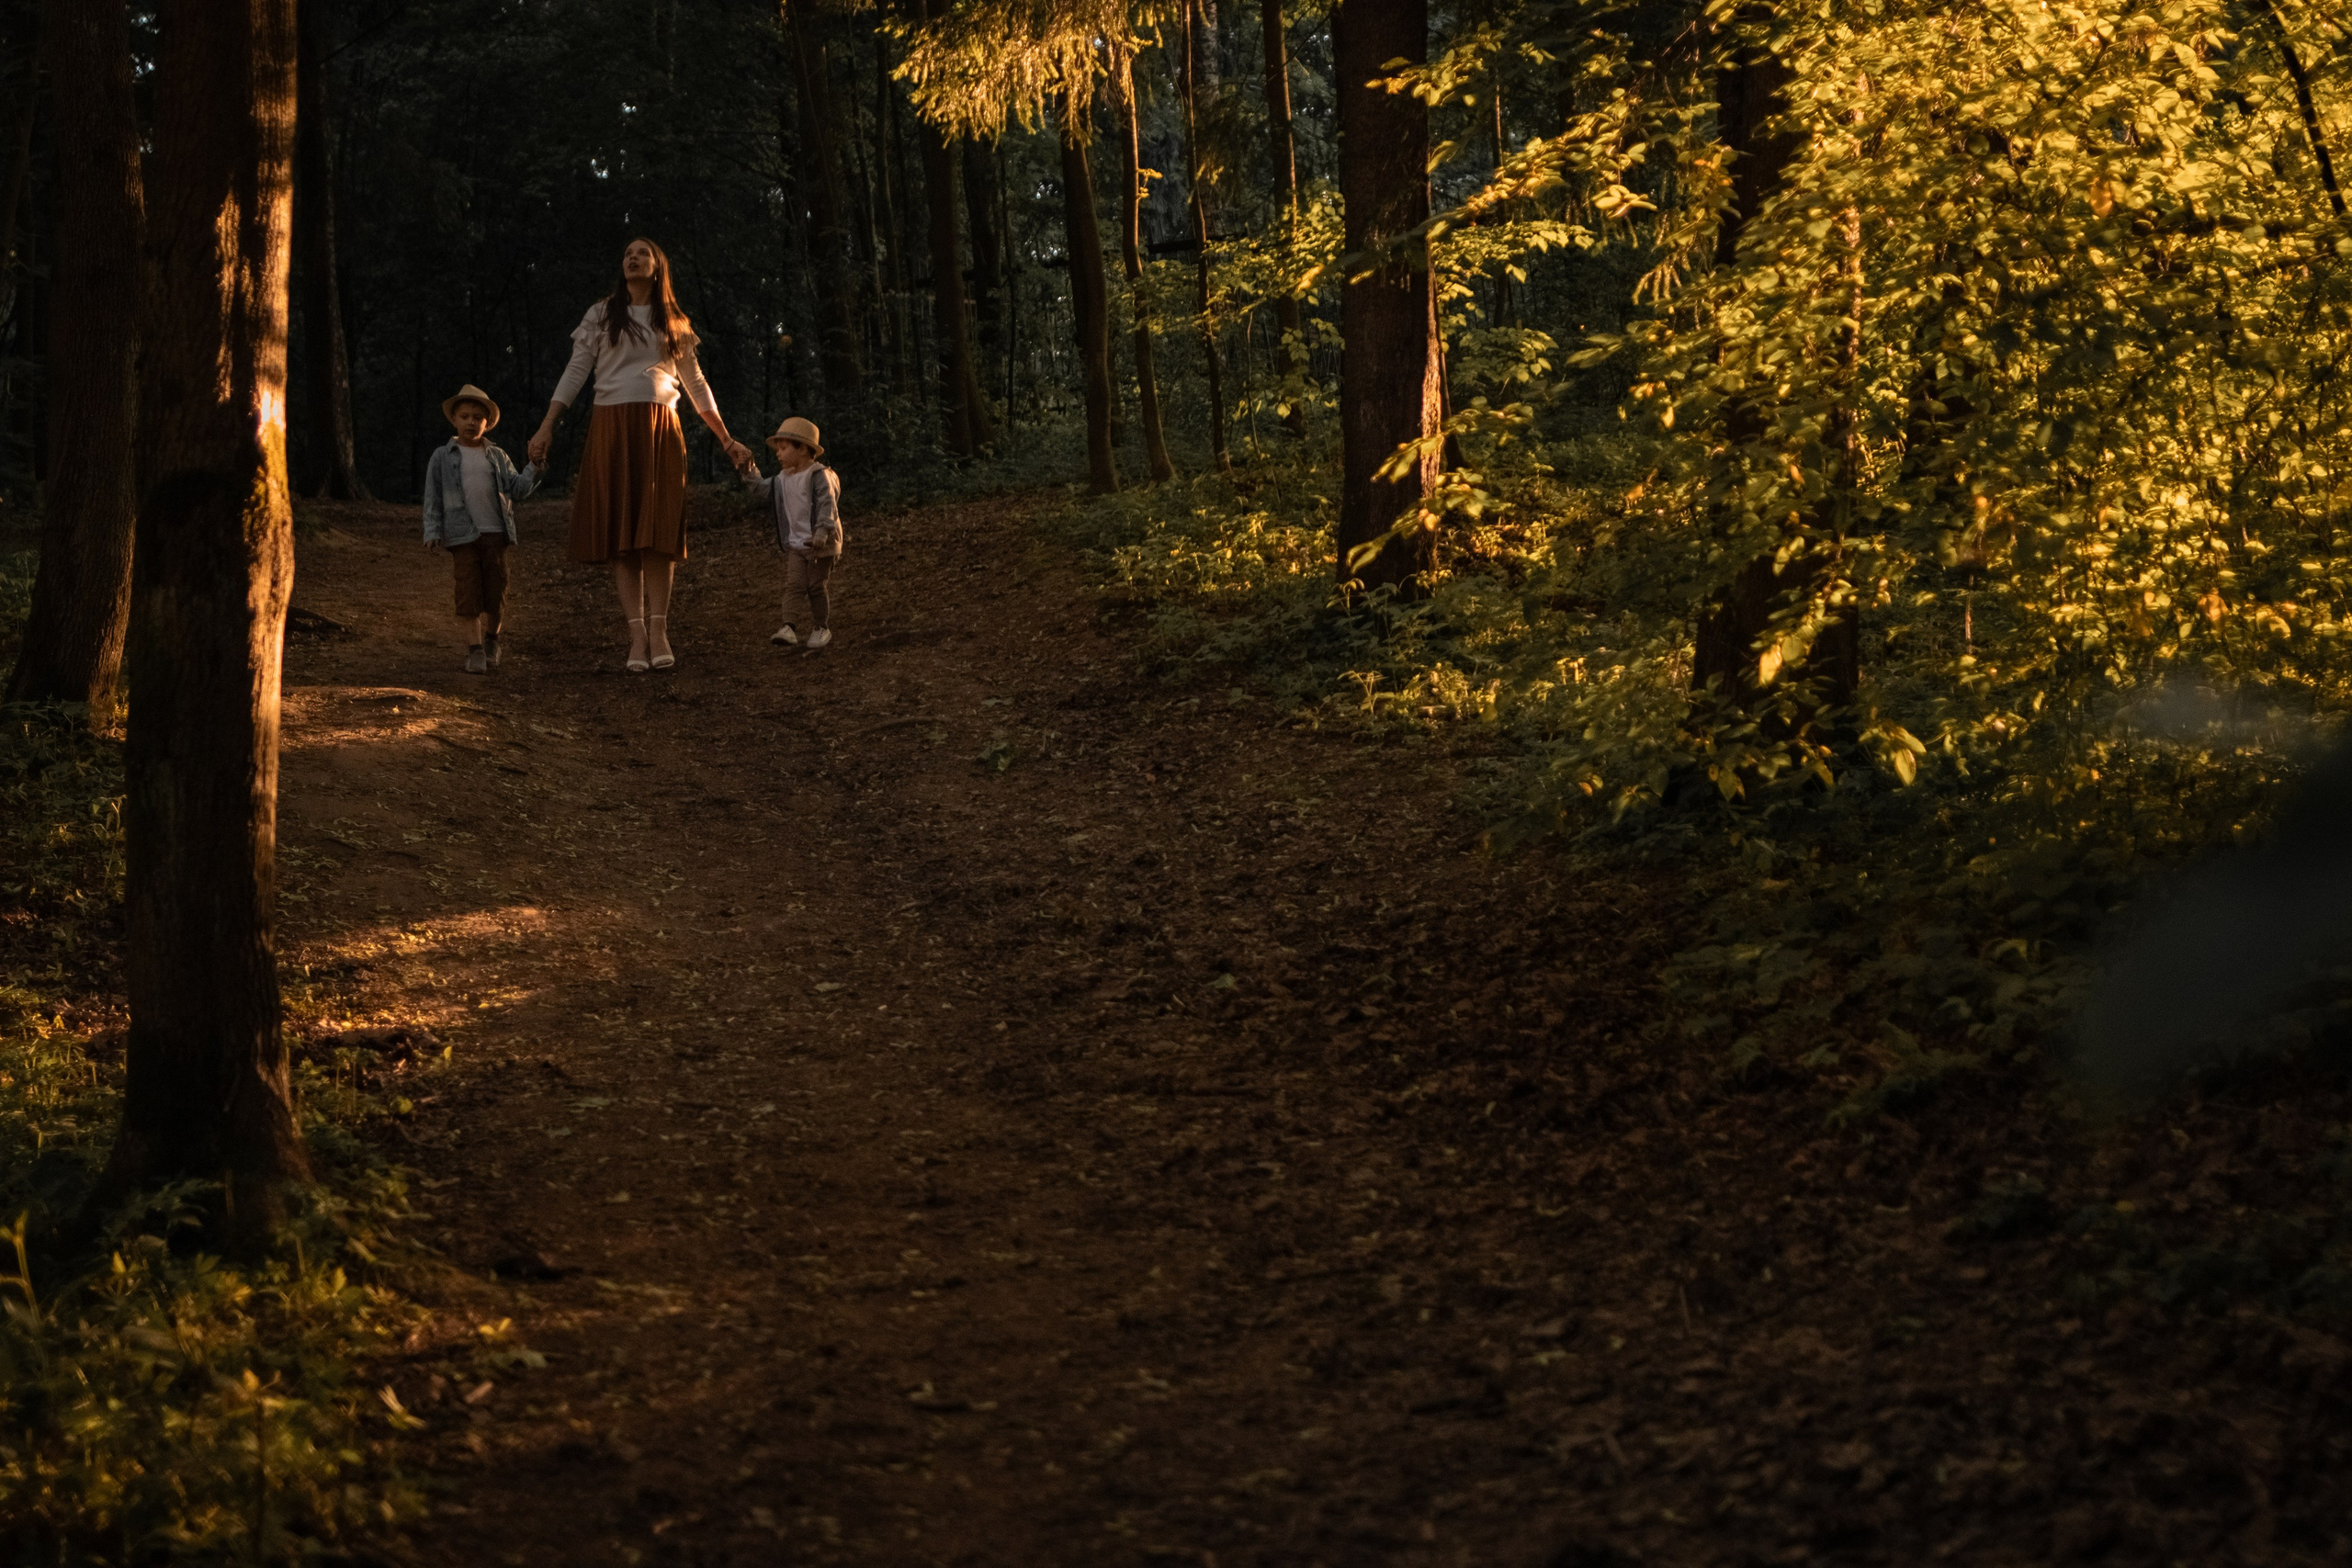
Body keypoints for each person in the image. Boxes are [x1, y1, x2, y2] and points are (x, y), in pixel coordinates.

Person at [526, 238, 752, 672]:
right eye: (628, 253)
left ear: (658, 267)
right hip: (611, 426)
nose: (633, 257)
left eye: (643, 253)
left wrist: (727, 439)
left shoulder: (675, 321)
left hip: (659, 428)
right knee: (623, 536)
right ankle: (636, 636)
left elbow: (696, 383)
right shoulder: (602, 314)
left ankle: (660, 630)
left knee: (658, 531)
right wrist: (547, 425)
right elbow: (576, 370)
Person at [422, 383, 539, 674]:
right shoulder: (441, 456)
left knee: (496, 591)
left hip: (495, 535)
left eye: (477, 417)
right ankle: (474, 651)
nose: (471, 422)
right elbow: (432, 497)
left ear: (487, 423)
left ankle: (492, 641)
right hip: (462, 536)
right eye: (465, 416)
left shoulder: (497, 456)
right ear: (454, 420)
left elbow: (518, 488)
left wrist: (535, 466)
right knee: (467, 592)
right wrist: (431, 529)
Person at [736, 416, 843, 649]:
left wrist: (822, 534)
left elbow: (828, 505)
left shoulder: (820, 475)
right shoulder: (783, 479)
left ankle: (821, 627)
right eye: (779, 449)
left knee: (816, 586)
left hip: (821, 545)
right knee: (794, 585)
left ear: (803, 449)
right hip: (797, 544)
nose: (779, 454)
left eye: (784, 448)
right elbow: (760, 490)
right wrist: (748, 466)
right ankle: (789, 627)